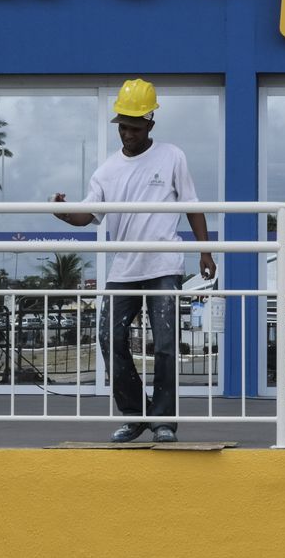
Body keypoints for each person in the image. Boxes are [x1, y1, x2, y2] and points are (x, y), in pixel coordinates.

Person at [53, 78, 214, 442]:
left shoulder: (172, 156)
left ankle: (163, 421)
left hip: (164, 268)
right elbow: (87, 216)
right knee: (109, 338)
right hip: (124, 270)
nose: (128, 134)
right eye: (123, 127)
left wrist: (206, 250)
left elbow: (193, 207)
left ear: (151, 125)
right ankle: (135, 413)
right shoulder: (107, 171)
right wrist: (62, 212)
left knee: (166, 344)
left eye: (135, 127)